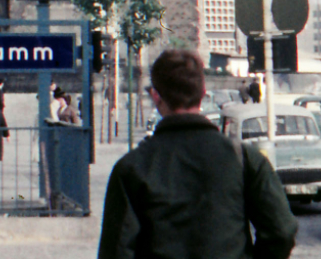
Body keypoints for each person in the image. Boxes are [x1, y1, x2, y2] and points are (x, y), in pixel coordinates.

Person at [98, 48, 297, 259]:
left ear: (156, 96)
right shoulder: (245, 160)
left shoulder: (131, 168)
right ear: (203, 92)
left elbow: (116, 251)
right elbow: (282, 231)